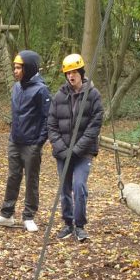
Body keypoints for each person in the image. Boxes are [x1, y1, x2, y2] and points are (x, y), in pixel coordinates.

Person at [0, 50, 50, 232]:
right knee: (13, 177)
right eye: (14, 67)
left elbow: (48, 118)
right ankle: (7, 214)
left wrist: (39, 142)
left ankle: (29, 216)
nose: (15, 71)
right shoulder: (17, 87)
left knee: (31, 179)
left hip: (31, 144)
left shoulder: (41, 90)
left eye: (18, 68)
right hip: (15, 141)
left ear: (28, 68)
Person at [47, 53, 104, 242]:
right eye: (68, 73)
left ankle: (80, 225)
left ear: (81, 72)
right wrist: (63, 149)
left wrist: (77, 149)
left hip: (83, 152)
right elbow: (52, 124)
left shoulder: (93, 95)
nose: (71, 76)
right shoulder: (59, 96)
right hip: (63, 152)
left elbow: (95, 125)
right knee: (64, 189)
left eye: (74, 72)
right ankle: (67, 223)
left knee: (79, 186)